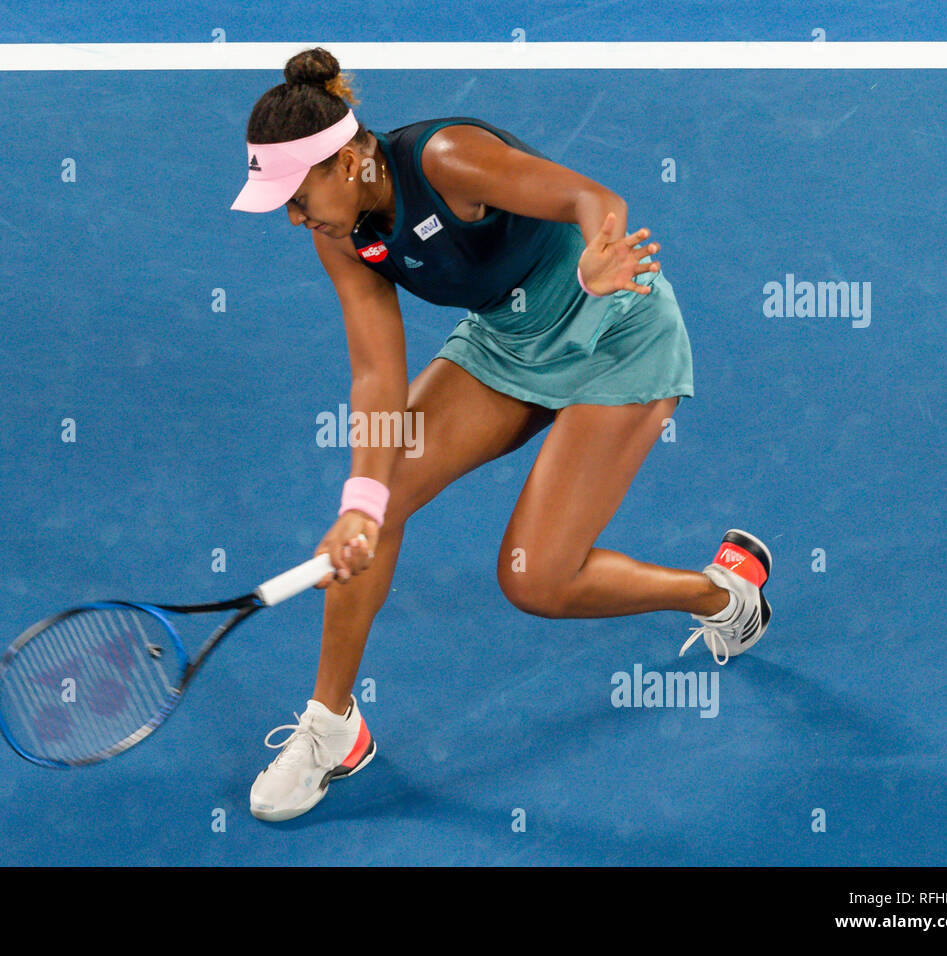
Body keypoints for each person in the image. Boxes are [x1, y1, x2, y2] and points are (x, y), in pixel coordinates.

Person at [229, 47, 773, 822]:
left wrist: (594, 260)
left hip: (615, 334)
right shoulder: (337, 230)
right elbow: (377, 374)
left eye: (295, 191)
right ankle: (332, 725)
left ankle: (722, 593)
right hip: (509, 346)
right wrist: (359, 499)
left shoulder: (447, 159)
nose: (291, 214)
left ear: (349, 161)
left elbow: (597, 199)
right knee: (379, 505)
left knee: (535, 582)